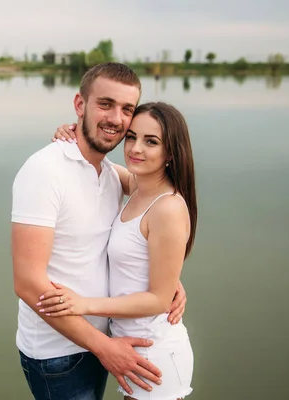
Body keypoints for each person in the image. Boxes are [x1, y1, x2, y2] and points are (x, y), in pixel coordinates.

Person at [11, 63, 187, 400]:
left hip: (108, 341)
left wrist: (169, 281)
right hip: (58, 353)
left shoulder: (111, 174)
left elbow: (151, 222)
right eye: (105, 104)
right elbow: (27, 283)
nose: (116, 119)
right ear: (80, 105)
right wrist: (104, 347)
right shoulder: (44, 170)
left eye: (127, 110)